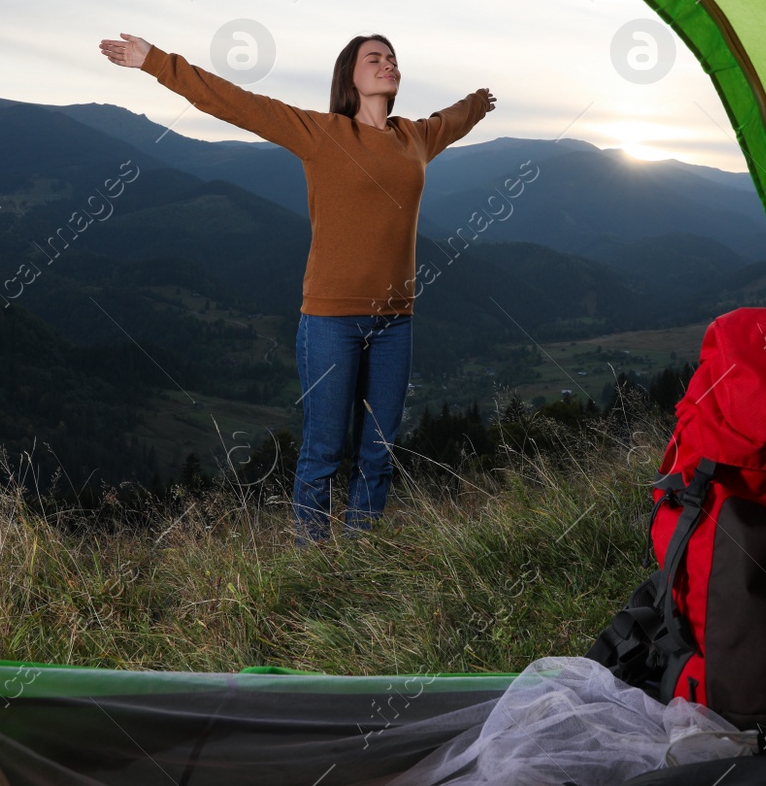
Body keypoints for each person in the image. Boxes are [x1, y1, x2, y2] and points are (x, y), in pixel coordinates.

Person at [100, 31, 495, 540]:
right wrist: (155, 61)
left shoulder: (414, 138)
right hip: (331, 319)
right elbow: (238, 104)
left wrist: (480, 102)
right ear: (348, 76)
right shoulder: (320, 133)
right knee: (324, 450)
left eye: (392, 58)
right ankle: (311, 562)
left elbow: (454, 120)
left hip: (397, 322)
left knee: (379, 452)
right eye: (374, 57)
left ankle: (359, 557)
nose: (388, 63)